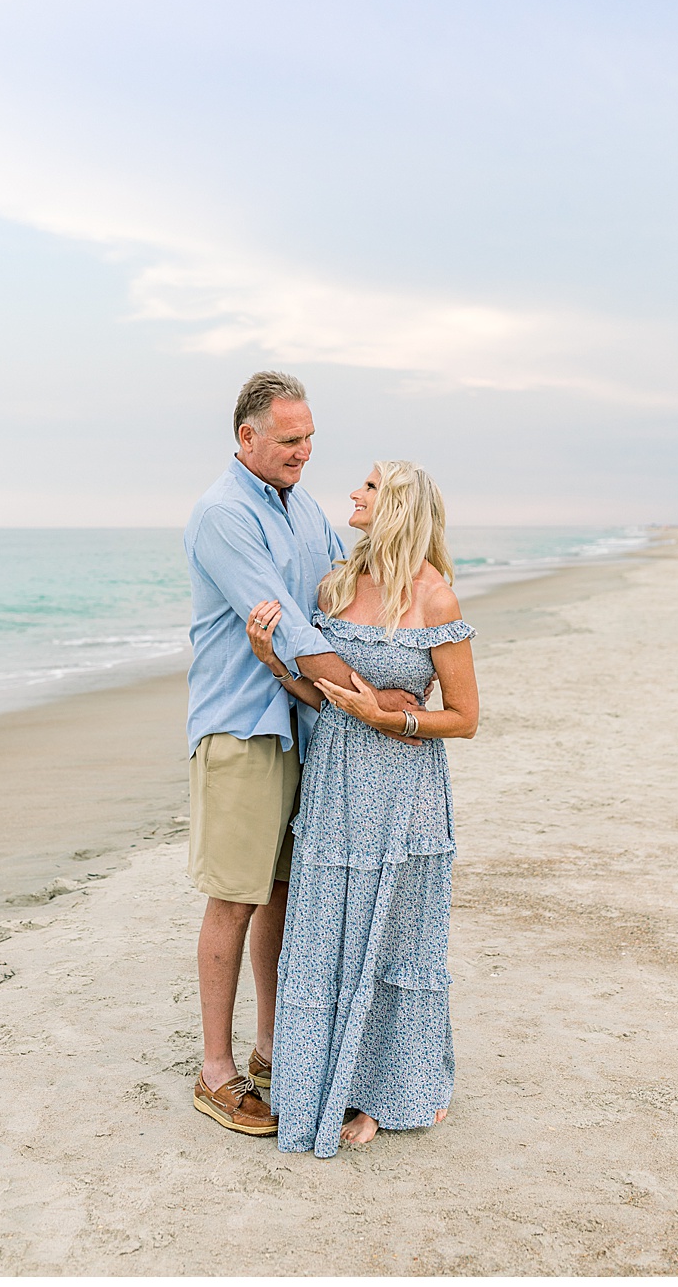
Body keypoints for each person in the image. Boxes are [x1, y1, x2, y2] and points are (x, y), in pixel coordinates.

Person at [182, 371, 424, 1137]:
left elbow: (335, 594)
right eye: (289, 440)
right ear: (246, 438)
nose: (304, 451)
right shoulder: (223, 514)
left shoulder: (303, 508)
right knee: (236, 895)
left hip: (308, 722)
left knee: (285, 894)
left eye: (310, 437)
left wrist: (419, 609)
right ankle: (216, 1073)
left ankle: (271, 1051)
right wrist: (375, 701)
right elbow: (289, 625)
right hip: (244, 726)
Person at [245, 460, 478, 1156]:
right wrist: (274, 662)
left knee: (394, 941)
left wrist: (394, 721)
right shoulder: (337, 585)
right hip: (336, 785)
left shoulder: (437, 598)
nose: (354, 492)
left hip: (405, 795)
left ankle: (384, 1095)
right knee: (323, 939)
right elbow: (328, 698)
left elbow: (465, 718)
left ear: (400, 506)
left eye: (370, 486)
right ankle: (324, 1081)